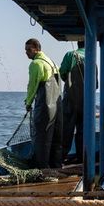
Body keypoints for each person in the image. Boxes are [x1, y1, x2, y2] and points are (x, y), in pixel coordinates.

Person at [24, 38, 63, 168]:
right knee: (56, 139)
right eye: (25, 50)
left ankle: (42, 168)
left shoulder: (36, 64)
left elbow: (33, 85)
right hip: (57, 107)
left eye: (29, 50)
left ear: (36, 48)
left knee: (42, 138)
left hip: (45, 106)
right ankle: (56, 166)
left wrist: (28, 102)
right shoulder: (51, 62)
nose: (26, 53)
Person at [60, 40, 84, 160]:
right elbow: (95, 84)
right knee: (83, 130)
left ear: (78, 43)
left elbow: (62, 72)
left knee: (67, 129)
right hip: (87, 100)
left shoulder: (70, 54)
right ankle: (81, 158)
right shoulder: (92, 55)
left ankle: (61, 158)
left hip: (71, 99)